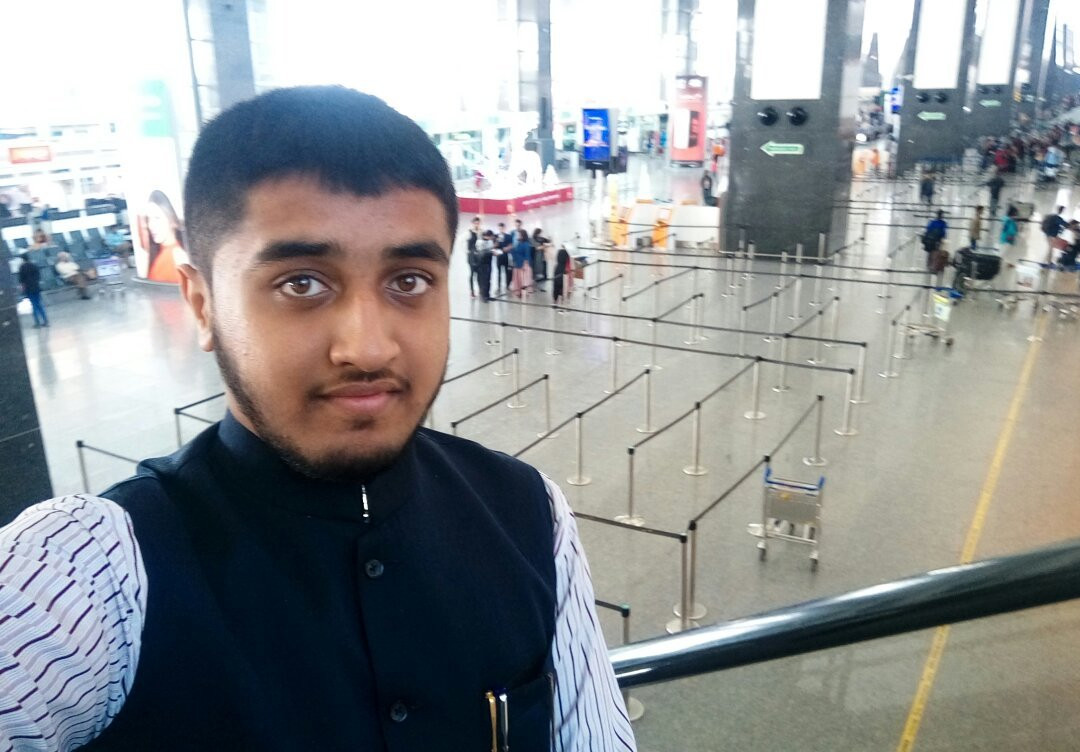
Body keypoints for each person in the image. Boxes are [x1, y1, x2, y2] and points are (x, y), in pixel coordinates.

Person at [0, 86, 635, 750]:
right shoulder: (97, 573)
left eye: (409, 281)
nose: (368, 348)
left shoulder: (531, 515)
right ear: (202, 303)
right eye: (301, 283)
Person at [137, 189, 188, 283]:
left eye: (157, 218)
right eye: (149, 219)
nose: (150, 225)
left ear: (172, 220)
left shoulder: (179, 257)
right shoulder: (157, 253)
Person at [16, 253, 48, 327]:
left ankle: (37, 322)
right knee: (39, 304)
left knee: (33, 305)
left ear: (22, 259)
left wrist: (22, 289)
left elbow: (21, 280)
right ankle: (45, 320)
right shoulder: (34, 265)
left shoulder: (22, 267)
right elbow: (38, 276)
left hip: (28, 288)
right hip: (36, 287)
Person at [510, 227, 534, 296]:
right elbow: (516, 252)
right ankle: (518, 291)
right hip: (517, 263)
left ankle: (524, 293)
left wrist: (525, 264)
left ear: (523, 236)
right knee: (517, 278)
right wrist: (512, 249)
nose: (518, 236)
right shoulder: (518, 243)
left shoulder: (526, 244)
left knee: (523, 279)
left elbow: (527, 255)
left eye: (519, 235)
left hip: (523, 264)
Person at [476, 229, 495, 302]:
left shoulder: (490, 241)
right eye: (491, 236)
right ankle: (483, 296)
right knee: (483, 281)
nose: (491, 238)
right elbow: (481, 253)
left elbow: (491, 249)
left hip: (489, 263)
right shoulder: (480, 242)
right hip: (482, 264)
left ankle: (487, 295)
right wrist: (491, 252)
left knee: (488, 280)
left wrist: (492, 252)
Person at [466, 216, 481, 298]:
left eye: (478, 223)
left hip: (479, 255)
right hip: (471, 255)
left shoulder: (481, 232)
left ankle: (480, 290)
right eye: (475, 223)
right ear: (473, 223)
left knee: (479, 273)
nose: (477, 224)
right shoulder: (469, 232)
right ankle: (472, 291)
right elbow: (464, 243)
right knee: (472, 273)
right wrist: (468, 252)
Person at [495, 221, 512, 292]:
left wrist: (508, 248)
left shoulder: (508, 236)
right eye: (499, 228)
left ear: (504, 228)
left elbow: (511, 245)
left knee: (507, 271)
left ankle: (507, 286)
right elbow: (494, 246)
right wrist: (496, 242)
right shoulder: (496, 236)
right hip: (499, 256)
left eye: (502, 228)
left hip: (506, 255)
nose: (501, 230)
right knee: (498, 272)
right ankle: (498, 287)